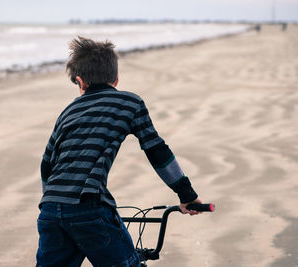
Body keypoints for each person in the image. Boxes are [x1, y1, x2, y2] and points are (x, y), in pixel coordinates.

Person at [36, 36, 203, 267]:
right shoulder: (130, 103)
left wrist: (55, 202)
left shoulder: (67, 112)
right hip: (89, 206)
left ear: (80, 82)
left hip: (50, 210)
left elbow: (46, 166)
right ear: (116, 79)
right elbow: (157, 150)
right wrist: (187, 195)